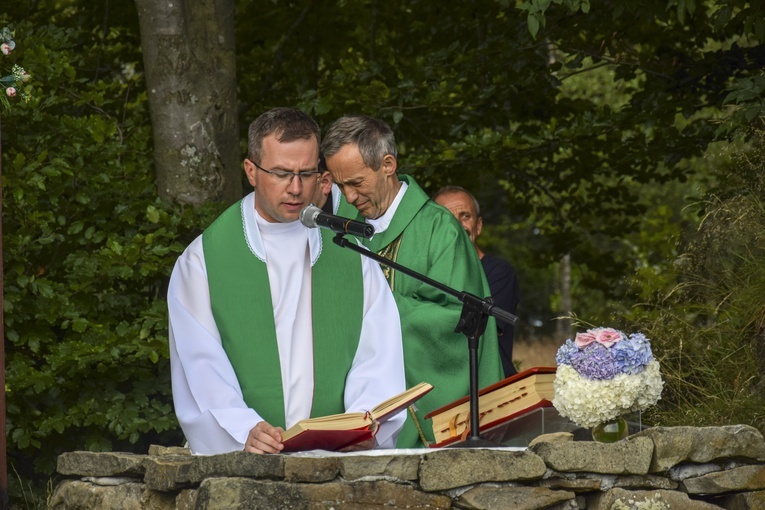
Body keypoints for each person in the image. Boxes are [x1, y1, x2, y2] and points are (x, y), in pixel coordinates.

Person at [167, 107, 406, 455]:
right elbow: (200, 362)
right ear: (251, 171)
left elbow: (377, 355)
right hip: (250, 454)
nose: (296, 189)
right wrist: (243, 427)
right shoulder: (205, 259)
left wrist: (356, 425)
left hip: (333, 458)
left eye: (306, 174)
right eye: (281, 173)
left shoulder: (350, 254)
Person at [321, 115, 504, 448]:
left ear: (387, 164)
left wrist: (376, 313)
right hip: (351, 401)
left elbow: (459, 319)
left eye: (357, 183)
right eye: (339, 185)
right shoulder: (341, 227)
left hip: (416, 406)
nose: (348, 197)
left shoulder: (438, 229)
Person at [433, 186, 521, 378]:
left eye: (465, 216)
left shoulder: (499, 273)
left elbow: (478, 331)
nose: (458, 225)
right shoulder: (425, 276)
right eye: (447, 218)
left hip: (493, 389)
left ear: (478, 225)